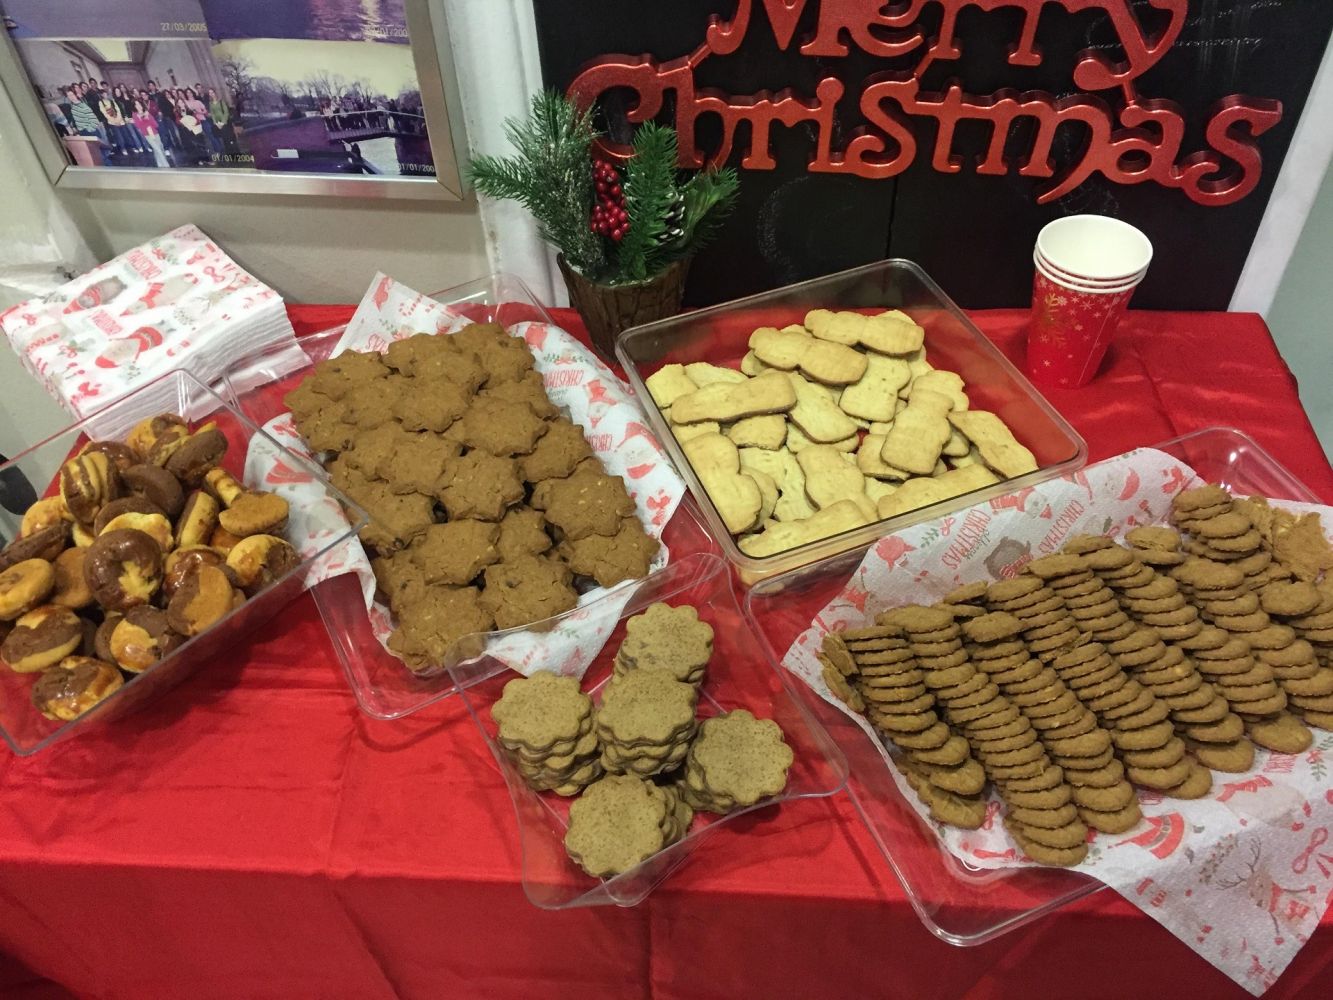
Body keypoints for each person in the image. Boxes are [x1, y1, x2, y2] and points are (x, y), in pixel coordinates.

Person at [132, 99, 167, 167]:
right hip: (147, 135)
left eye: (139, 104)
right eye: (136, 104)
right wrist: (140, 119)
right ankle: (166, 166)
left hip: (155, 133)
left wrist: (148, 117)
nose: (138, 106)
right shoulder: (135, 114)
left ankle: (160, 165)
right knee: (158, 150)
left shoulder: (146, 112)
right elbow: (138, 126)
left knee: (160, 148)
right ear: (134, 106)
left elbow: (155, 124)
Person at [206, 87, 239, 156]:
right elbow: (213, 114)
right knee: (225, 140)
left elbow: (226, 112)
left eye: (212, 92)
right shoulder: (210, 103)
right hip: (218, 124)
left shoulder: (221, 101)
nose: (211, 94)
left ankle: (236, 154)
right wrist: (216, 123)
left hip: (225, 122)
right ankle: (230, 155)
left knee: (230, 138)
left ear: (215, 93)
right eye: (209, 93)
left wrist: (223, 122)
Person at [149, 80, 178, 151]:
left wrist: (171, 111)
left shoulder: (160, 94)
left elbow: (167, 103)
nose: (151, 87)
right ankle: (170, 144)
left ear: (155, 86)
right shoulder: (149, 97)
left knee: (172, 130)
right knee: (165, 131)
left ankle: (177, 143)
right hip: (158, 116)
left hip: (166, 114)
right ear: (148, 87)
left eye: (152, 85)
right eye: (150, 86)